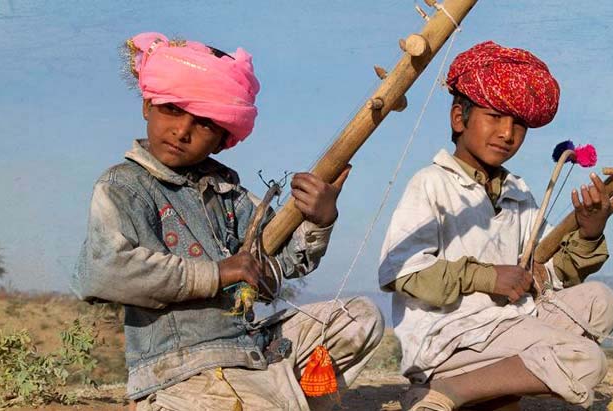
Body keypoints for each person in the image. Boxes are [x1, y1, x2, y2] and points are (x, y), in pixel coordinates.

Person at [72, 32, 383, 411]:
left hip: (250, 349)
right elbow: (105, 271)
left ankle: (276, 394)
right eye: (171, 109)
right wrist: (217, 274)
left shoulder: (229, 193)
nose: (182, 131)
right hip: (183, 366)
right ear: (147, 106)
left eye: (203, 123)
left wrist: (319, 219)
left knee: (360, 319)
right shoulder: (124, 186)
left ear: (222, 138)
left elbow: (280, 260)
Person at [378, 41, 613, 410]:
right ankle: (444, 392)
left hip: (506, 326)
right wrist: (487, 277)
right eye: (494, 117)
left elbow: (546, 278)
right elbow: (401, 273)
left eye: (518, 124)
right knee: (587, 360)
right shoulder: (432, 183)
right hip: (450, 338)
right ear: (459, 118)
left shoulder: (518, 193)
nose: (507, 134)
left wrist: (589, 231)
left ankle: (491, 389)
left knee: (599, 301)